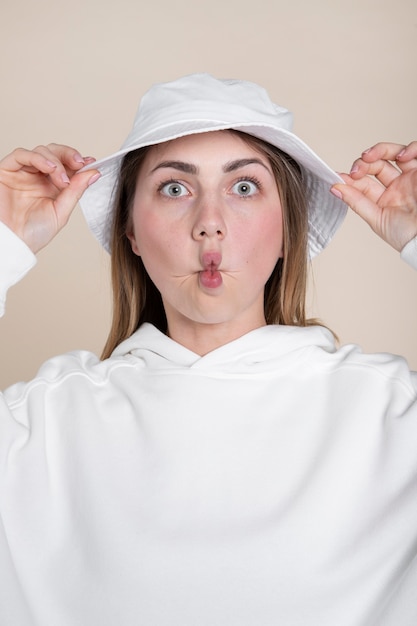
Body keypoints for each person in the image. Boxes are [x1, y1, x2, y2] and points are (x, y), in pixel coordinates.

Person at [0, 73, 416, 626]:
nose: (210, 224)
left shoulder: (390, 415)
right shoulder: (40, 425)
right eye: (176, 188)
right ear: (130, 231)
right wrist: (4, 242)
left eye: (244, 187)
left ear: (290, 225)